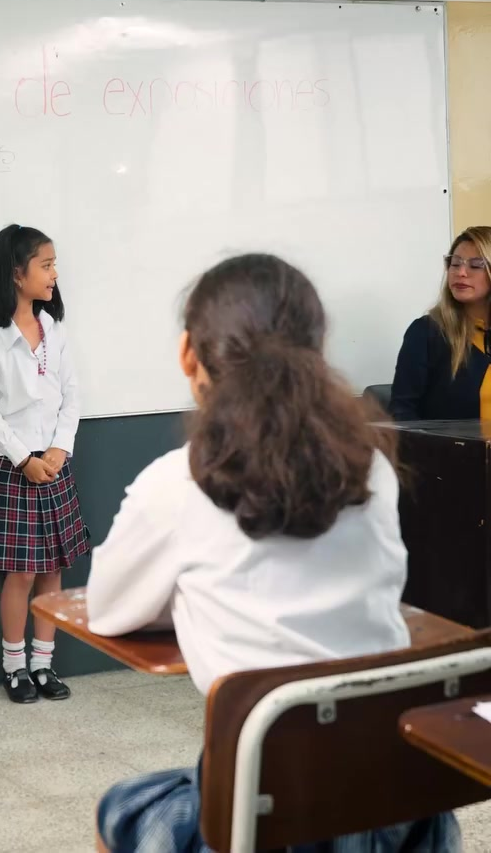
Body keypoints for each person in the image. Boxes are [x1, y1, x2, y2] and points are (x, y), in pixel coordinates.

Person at [86, 253, 459, 852]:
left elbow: (106, 612)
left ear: (189, 355)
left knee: (121, 811)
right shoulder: (373, 469)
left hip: (265, 810)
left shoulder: (176, 483)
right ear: (318, 349)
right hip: (403, 795)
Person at [0, 224, 89, 705]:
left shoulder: (54, 331)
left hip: (54, 463)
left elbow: (72, 395)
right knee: (19, 572)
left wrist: (59, 449)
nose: (54, 274)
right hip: (13, 466)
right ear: (16, 274)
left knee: (53, 569)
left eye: (54, 264)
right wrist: (26, 459)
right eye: (46, 264)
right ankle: (14, 666)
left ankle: (44, 664)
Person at [390, 226, 491, 421]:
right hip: (453, 451)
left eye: (475, 265)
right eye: (455, 263)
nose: (461, 272)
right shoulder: (427, 333)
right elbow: (402, 413)